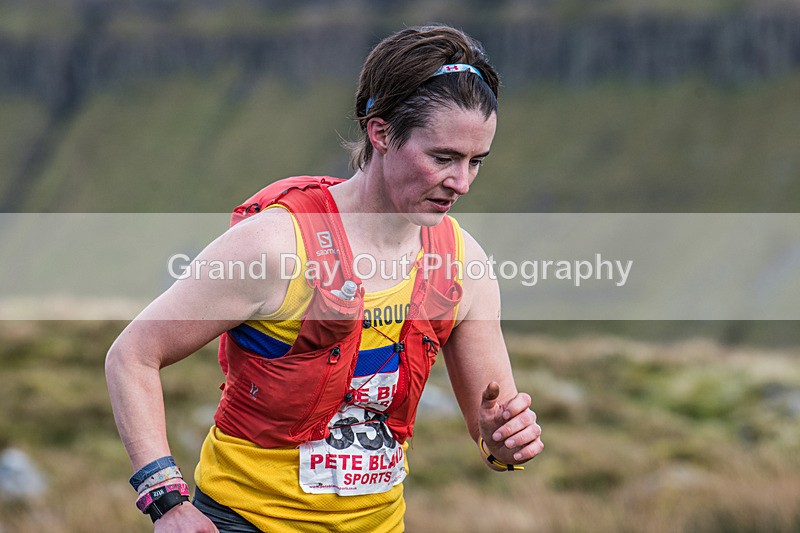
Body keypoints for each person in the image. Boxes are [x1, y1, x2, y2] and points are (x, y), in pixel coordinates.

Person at [106, 24, 543, 532]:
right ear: (380, 132)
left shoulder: (464, 263)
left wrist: (503, 442)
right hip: (242, 522)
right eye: (442, 158)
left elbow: (496, 439)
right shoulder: (275, 247)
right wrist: (167, 504)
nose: (461, 183)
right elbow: (132, 355)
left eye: (476, 163)